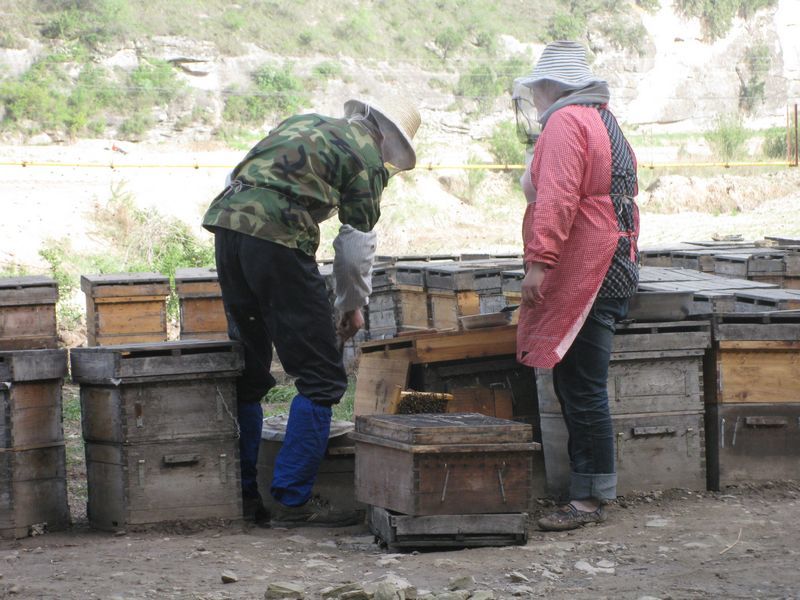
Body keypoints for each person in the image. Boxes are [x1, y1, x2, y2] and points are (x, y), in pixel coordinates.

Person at [202, 97, 420, 527]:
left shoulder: (303, 123)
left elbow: (238, 174)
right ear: (390, 142)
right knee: (322, 379)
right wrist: (352, 305)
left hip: (228, 229)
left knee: (248, 369)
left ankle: (242, 496)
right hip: (278, 239)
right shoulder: (366, 159)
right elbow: (355, 245)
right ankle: (291, 500)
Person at [513, 40, 640, 531]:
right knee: (578, 383)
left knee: (582, 387)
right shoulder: (603, 119)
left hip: (589, 266)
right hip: (614, 261)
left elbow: (558, 197)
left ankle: (589, 498)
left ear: (551, 86)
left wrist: (539, 261)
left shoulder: (567, 121)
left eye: (537, 88)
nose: (535, 97)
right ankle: (588, 488)